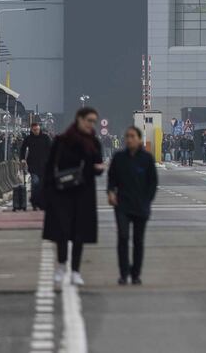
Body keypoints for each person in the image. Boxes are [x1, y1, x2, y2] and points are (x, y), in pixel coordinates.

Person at [42, 107, 104, 290]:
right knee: (62, 232)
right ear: (79, 119)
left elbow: (95, 165)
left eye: (93, 121)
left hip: (84, 193)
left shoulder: (94, 143)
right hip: (62, 192)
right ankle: (61, 266)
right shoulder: (62, 141)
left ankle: (75, 271)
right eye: (88, 120)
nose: (90, 124)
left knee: (79, 233)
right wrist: (45, 192)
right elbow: (50, 166)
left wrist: (98, 169)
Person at [107, 126, 157, 285]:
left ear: (139, 139)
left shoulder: (147, 159)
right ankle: (123, 273)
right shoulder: (119, 157)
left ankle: (135, 273)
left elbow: (153, 182)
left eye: (132, 136)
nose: (129, 139)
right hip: (122, 204)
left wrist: (147, 201)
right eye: (127, 136)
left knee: (138, 240)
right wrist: (110, 192)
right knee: (123, 237)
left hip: (141, 205)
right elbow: (111, 178)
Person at [20, 121, 51, 210]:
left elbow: (51, 149)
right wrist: (22, 159)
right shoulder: (28, 138)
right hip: (33, 164)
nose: (36, 131)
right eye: (34, 130)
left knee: (42, 184)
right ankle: (34, 201)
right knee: (35, 182)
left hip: (44, 165)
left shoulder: (45, 138)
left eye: (37, 129)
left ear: (39, 128)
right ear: (31, 130)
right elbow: (22, 149)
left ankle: (41, 202)